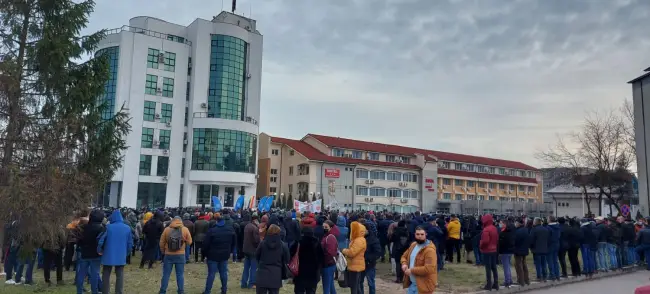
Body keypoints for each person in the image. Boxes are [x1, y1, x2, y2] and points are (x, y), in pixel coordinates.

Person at [99, 210, 133, 294]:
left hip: (108, 253)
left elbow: (101, 240)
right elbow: (130, 243)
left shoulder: (108, 227)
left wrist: (99, 250)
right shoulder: (127, 228)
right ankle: (119, 292)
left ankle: (105, 291)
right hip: (121, 254)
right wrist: (127, 253)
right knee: (120, 274)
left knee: (106, 274)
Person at [203, 213, 236, 294]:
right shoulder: (230, 230)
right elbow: (234, 242)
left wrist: (205, 255)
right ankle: (224, 290)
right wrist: (230, 251)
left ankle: (207, 291)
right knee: (223, 273)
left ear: (216, 221)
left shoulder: (212, 231)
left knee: (211, 274)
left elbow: (205, 244)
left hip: (212, 255)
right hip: (224, 254)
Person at [159, 216, 193, 294]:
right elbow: (189, 242)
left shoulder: (167, 229)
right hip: (180, 255)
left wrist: (163, 252)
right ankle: (181, 291)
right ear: (181, 221)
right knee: (180, 275)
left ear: (172, 221)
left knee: (166, 274)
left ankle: (162, 291)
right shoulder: (185, 229)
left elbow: (161, 242)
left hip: (168, 254)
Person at [400, 226, 437, 294]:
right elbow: (404, 256)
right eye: (418, 234)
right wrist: (404, 264)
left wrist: (411, 270)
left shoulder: (429, 250)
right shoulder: (413, 245)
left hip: (424, 286)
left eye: (422, 234)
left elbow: (429, 269)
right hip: (413, 284)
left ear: (426, 234)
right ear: (415, 234)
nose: (420, 236)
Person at [76, 210, 105, 294]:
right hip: (96, 254)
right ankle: (94, 291)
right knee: (95, 274)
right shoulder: (101, 228)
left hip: (85, 252)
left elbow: (79, 240)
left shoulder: (84, 227)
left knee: (81, 273)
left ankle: (79, 291)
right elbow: (101, 241)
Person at [255, 224, 289, 294]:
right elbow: (287, 259)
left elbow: (257, 255)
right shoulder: (283, 245)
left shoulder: (263, 243)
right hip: (276, 274)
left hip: (262, 273)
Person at [291, 226, 324, 294]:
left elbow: (291, 254)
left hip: (300, 272)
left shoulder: (298, 242)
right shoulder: (316, 243)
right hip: (313, 273)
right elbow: (321, 258)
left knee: (299, 291)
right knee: (311, 291)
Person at [342, 221, 367, 294]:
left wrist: (344, 250)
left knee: (354, 287)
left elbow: (352, 253)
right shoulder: (359, 239)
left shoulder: (358, 240)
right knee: (356, 286)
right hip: (356, 265)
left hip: (355, 266)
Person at [360, 220, 382, 294]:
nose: (361, 231)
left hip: (369, 264)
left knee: (371, 283)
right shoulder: (359, 238)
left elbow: (378, 252)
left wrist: (368, 258)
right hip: (360, 264)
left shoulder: (373, 239)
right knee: (359, 282)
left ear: (367, 230)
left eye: (363, 230)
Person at [479, 214, 498, 291]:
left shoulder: (486, 230)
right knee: (494, 267)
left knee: (488, 268)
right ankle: (496, 284)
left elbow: (485, 241)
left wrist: (481, 245)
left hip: (487, 250)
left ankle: (489, 284)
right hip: (494, 250)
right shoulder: (494, 228)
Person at [242, 214, 261, 289]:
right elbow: (256, 240)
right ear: (255, 220)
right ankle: (251, 283)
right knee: (253, 268)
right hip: (253, 250)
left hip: (246, 249)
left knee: (246, 268)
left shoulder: (247, 226)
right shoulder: (254, 228)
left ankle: (243, 283)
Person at [530, 217, 549, 282]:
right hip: (544, 249)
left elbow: (531, 240)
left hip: (536, 249)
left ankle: (539, 276)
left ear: (536, 222)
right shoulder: (545, 229)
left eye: (534, 221)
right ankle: (545, 276)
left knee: (538, 264)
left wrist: (531, 247)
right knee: (544, 263)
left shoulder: (534, 229)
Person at [321, 220, 338, 294]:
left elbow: (330, 253)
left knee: (326, 288)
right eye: (323, 227)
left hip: (327, 265)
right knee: (330, 286)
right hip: (329, 264)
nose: (324, 228)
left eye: (326, 227)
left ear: (331, 227)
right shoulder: (327, 236)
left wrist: (323, 260)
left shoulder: (330, 237)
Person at [513, 218, 530, 287]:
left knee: (518, 266)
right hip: (525, 250)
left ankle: (521, 280)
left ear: (518, 223)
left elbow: (515, 241)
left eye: (515, 222)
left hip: (518, 250)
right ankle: (527, 280)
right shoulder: (526, 230)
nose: (515, 224)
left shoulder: (517, 232)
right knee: (524, 265)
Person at [498, 217, 515, 287]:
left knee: (506, 267)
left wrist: (499, 251)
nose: (500, 224)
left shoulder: (503, 233)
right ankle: (510, 279)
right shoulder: (511, 231)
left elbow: (501, 243)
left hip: (504, 251)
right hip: (510, 251)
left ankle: (507, 281)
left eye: (501, 223)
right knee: (508, 266)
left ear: (504, 224)